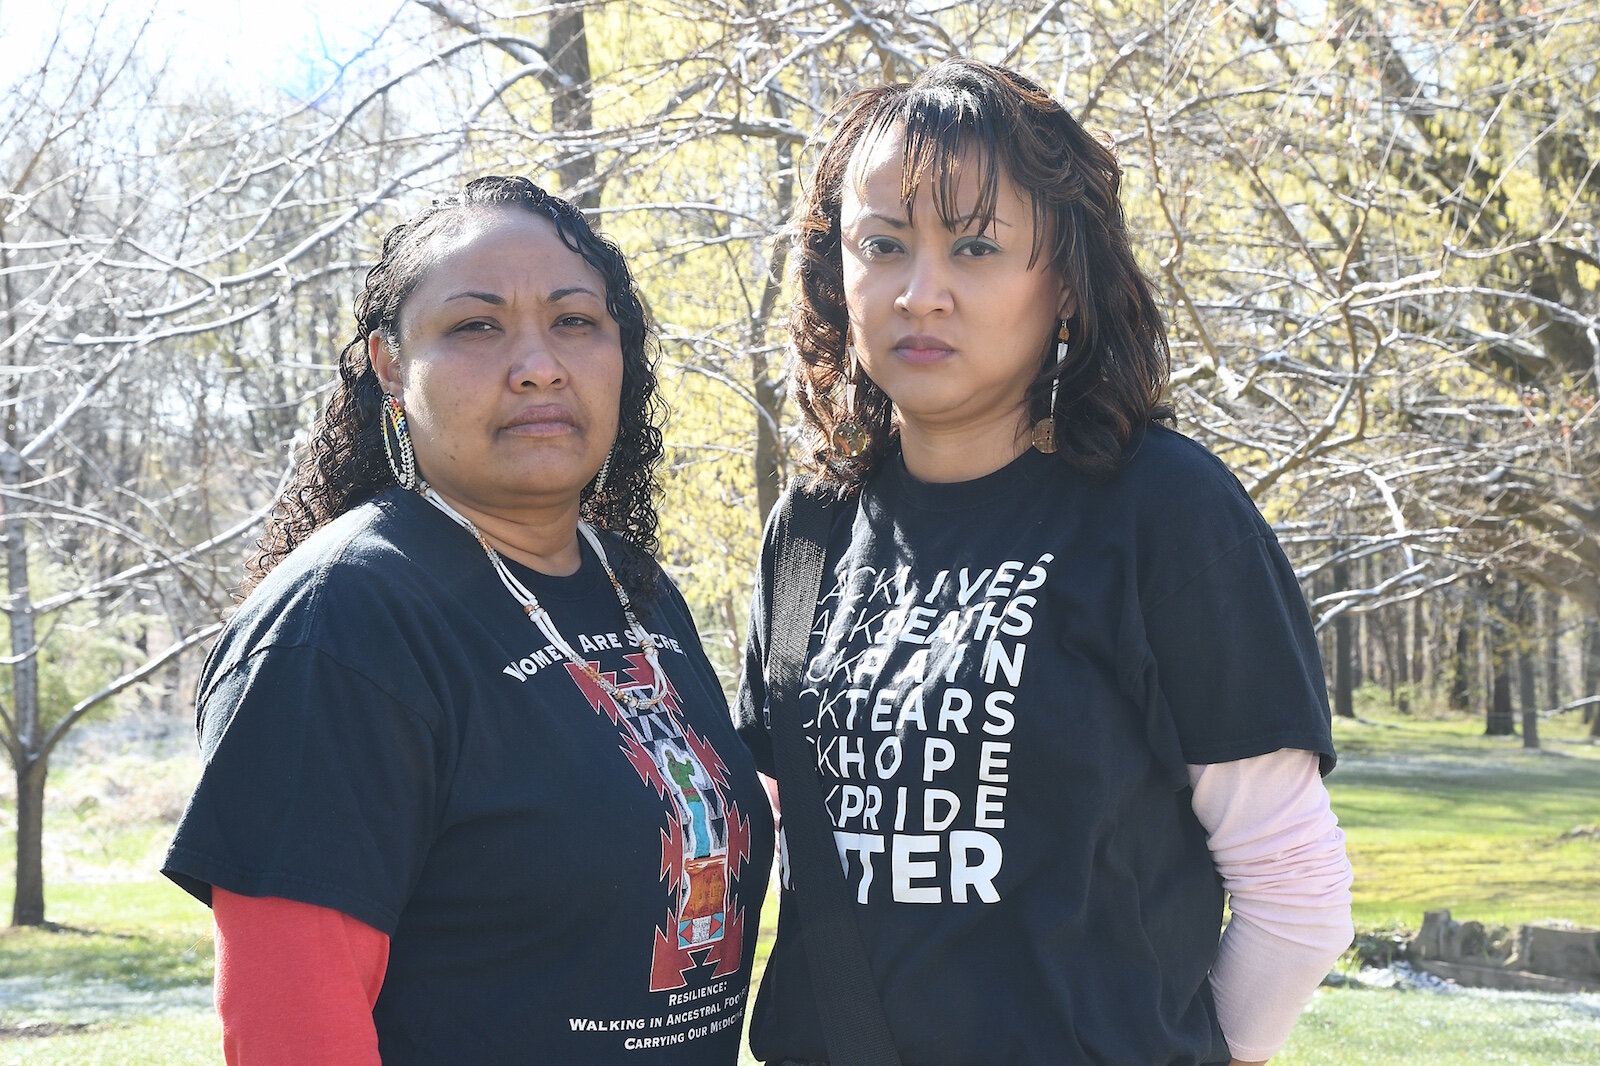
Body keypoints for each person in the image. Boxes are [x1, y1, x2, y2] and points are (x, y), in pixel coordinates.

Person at [734, 59, 1353, 1065]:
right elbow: (775, 833)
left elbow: (1297, 897)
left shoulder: (1165, 512)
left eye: (975, 246)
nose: (919, 293)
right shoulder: (805, 533)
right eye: (882, 246)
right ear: (834, 274)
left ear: (1063, 277)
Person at [164, 175, 772, 1065]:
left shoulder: (634, 587)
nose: (537, 364)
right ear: (387, 366)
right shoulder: (342, 623)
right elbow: (290, 1027)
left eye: (575, 321)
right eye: (475, 326)